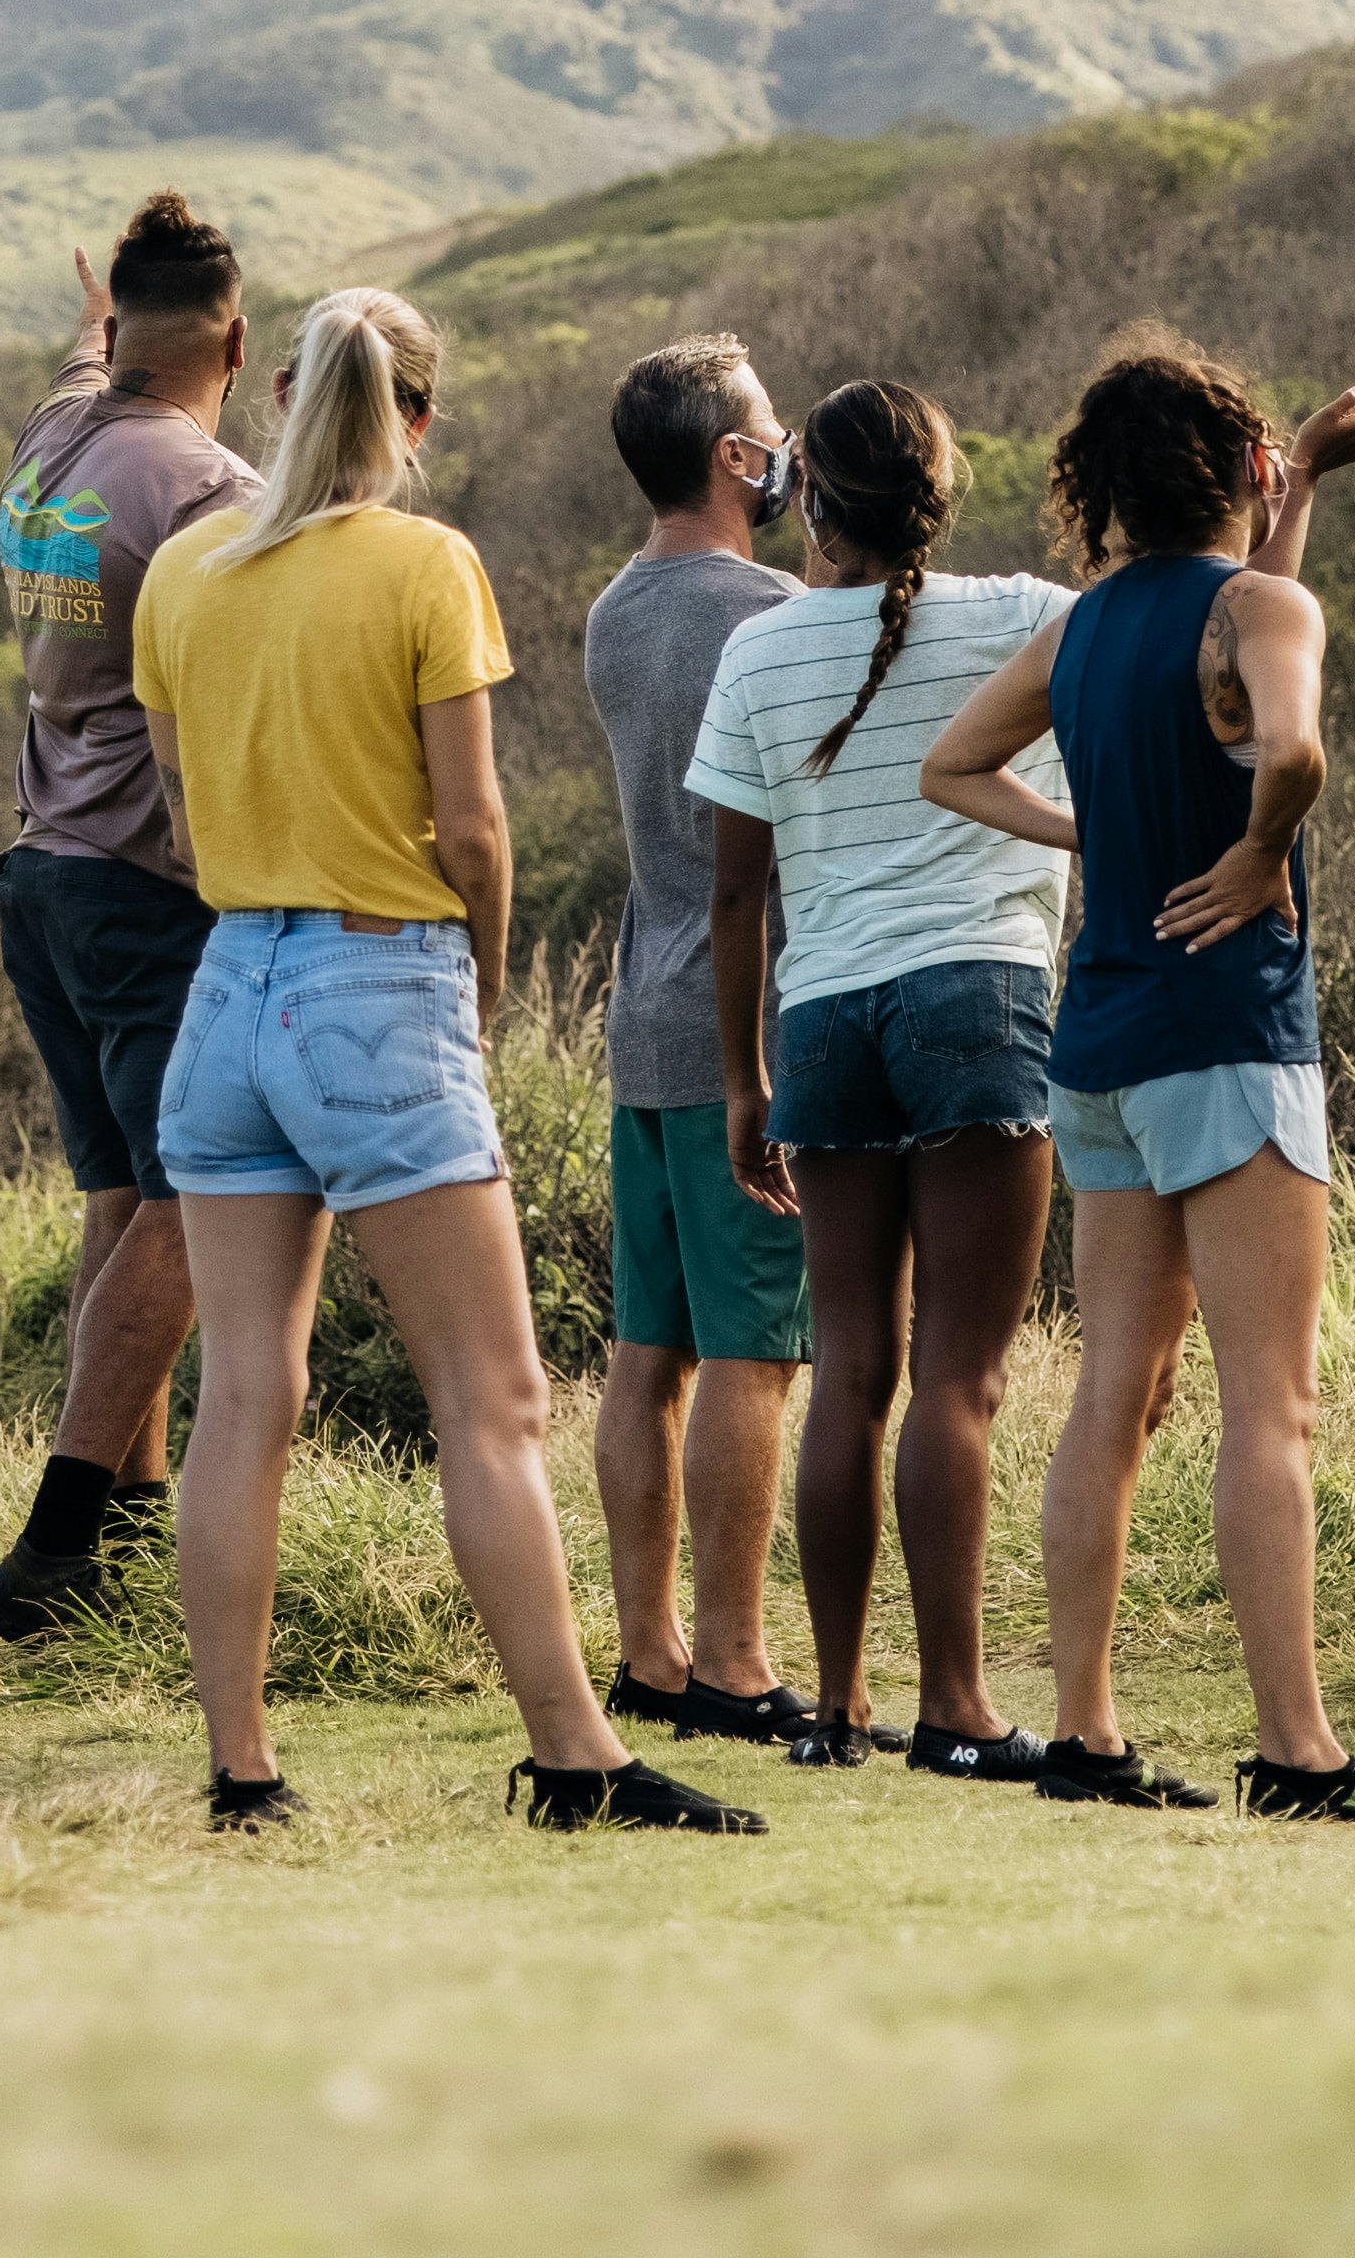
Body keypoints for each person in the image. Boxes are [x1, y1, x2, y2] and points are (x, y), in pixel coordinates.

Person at [132, 285, 767, 1840]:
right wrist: (472, 975)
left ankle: (243, 1769)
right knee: (491, 1399)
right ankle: (574, 1752)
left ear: (286, 401)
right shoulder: (428, 564)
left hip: (228, 990)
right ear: (413, 419)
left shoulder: (185, 569)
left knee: (240, 1399)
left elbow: (174, 794)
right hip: (379, 971)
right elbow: (471, 824)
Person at [918, 330, 1355, 1825]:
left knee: (1118, 1389)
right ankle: (1300, 1752)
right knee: (1268, 1410)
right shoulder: (1259, 609)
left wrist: (1093, 838)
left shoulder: (1094, 625)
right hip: (1228, 1036)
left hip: (1097, 1045)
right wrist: (1253, 851)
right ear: (1237, 471)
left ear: (1101, 491)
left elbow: (955, 769)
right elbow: (1283, 743)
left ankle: (1086, 1734)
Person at [686, 375, 1073, 1779]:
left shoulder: (759, 655)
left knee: (851, 1370)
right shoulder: (1029, 615)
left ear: (810, 500)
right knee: (959, 1381)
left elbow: (736, 901)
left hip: (827, 1022)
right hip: (980, 1000)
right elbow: (1182, 637)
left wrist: (743, 1081)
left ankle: (839, 1706)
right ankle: (957, 1706)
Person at [0, 189, 270, 1648]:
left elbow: (87, 360)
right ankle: (59, 1530)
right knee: (194, 1196)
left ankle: (125, 1539)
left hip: (40, 873)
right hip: (145, 882)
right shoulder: (210, 488)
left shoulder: (57, 436)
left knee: (121, 1197)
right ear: (237, 333)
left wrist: (90, 323)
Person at [574, 339, 808, 1746]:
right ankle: (733, 1658)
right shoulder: (770, 614)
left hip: (640, 1010)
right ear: (733, 458)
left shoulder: (613, 613)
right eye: (769, 432)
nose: (783, 454)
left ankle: (650, 1651)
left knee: (643, 1352)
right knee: (754, 1353)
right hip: (750, 1022)